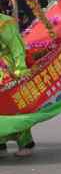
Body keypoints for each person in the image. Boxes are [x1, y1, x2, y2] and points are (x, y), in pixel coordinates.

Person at [0, 13, 34, 157]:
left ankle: (25, 143)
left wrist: (20, 68)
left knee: (13, 106)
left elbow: (16, 47)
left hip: (7, 69)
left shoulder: (5, 23)